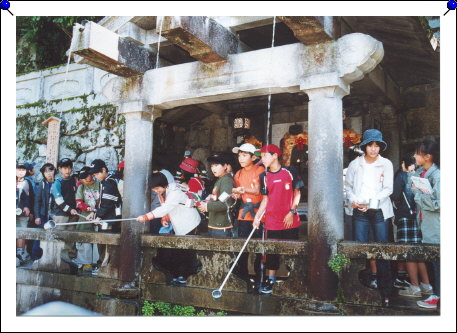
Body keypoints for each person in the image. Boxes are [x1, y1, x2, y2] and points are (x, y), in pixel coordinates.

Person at [344, 129, 394, 305]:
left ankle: (385, 290)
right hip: (359, 210)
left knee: (381, 248)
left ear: (380, 147)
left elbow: (388, 188)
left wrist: (372, 202)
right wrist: (354, 200)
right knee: (360, 248)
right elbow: (348, 186)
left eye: (376, 145)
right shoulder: (355, 164)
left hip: (379, 210)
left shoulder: (386, 163)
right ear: (364, 147)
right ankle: (360, 286)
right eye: (370, 145)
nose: (373, 149)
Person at [253, 144, 304, 294]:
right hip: (272, 221)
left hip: (290, 219)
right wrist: (257, 217)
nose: (262, 159)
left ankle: (294, 278)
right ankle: (271, 280)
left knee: (291, 250)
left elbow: (297, 193)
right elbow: (265, 199)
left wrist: (292, 211)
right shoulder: (264, 176)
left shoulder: (290, 171)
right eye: (261, 156)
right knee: (272, 251)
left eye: (265, 156)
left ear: (275, 155)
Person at [136, 172, 201, 285]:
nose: (156, 191)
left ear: (164, 185)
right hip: (181, 223)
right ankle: (181, 275)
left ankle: (186, 276)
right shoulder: (164, 192)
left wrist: (146, 217)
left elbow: (164, 209)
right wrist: (164, 219)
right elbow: (167, 210)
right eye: (154, 189)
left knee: (186, 251)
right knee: (180, 250)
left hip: (189, 222)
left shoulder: (174, 193)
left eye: (157, 188)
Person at [392, 153, 433, 297]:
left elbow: (396, 195)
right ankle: (426, 285)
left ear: (403, 163)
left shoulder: (402, 176)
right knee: (418, 252)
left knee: (409, 252)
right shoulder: (420, 176)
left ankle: (414, 287)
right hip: (418, 218)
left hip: (405, 217)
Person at [409, 140, 440, 309]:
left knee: (438, 260)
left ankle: (438, 297)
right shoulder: (422, 172)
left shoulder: (437, 175)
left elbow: (439, 203)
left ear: (428, 156)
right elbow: (412, 188)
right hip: (424, 222)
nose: (414, 156)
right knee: (432, 259)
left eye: (417, 153)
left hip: (435, 224)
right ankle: (436, 294)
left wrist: (419, 196)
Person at [231, 143, 265, 292]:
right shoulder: (238, 174)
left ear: (253, 157)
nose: (241, 158)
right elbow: (238, 194)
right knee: (242, 247)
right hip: (244, 214)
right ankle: (243, 278)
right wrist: (236, 194)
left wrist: (243, 190)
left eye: (244, 155)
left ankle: (260, 278)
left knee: (260, 248)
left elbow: (259, 191)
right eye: (239, 155)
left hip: (259, 214)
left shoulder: (260, 170)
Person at [197, 154, 235, 237]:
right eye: (212, 166)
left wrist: (207, 206)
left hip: (222, 226)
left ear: (225, 166)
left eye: (216, 165)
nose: (213, 169)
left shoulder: (227, 180)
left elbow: (225, 204)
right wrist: (207, 202)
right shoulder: (220, 180)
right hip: (215, 225)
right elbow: (217, 199)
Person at [50, 158, 79, 263]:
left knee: (70, 237)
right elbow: (59, 200)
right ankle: (57, 259)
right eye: (64, 168)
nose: (67, 170)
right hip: (61, 214)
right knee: (60, 237)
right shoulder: (57, 183)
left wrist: (76, 209)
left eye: (69, 168)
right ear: (60, 169)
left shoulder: (74, 181)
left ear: (71, 169)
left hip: (73, 214)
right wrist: (70, 209)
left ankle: (68, 259)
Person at [74, 166, 100, 273]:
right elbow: (79, 203)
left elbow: (102, 201)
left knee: (98, 239)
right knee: (84, 238)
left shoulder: (99, 185)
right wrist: (89, 209)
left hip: (99, 216)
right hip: (85, 216)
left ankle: (97, 262)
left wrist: (96, 211)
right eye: (83, 178)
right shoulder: (82, 187)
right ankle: (85, 262)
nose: (85, 179)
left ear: (92, 174)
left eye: (87, 176)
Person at [87, 159, 122, 232]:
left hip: (110, 220)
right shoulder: (104, 182)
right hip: (106, 219)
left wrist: (99, 216)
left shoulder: (109, 183)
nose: (95, 177)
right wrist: (94, 212)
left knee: (107, 240)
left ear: (103, 170)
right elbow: (101, 202)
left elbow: (107, 203)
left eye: (96, 174)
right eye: (94, 175)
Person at [32, 163, 56, 261]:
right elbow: (37, 201)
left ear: (55, 171)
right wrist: (37, 216)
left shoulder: (57, 183)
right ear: (43, 173)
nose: (49, 173)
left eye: (51, 170)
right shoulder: (42, 184)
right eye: (46, 172)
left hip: (54, 215)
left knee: (53, 236)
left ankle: (50, 257)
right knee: (40, 236)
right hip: (43, 215)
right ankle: (36, 257)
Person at [16, 163, 31, 266]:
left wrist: (27, 207)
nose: (21, 172)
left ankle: (20, 254)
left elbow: (29, 197)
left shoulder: (27, 182)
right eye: (18, 169)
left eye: (23, 170)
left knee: (22, 232)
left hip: (22, 212)